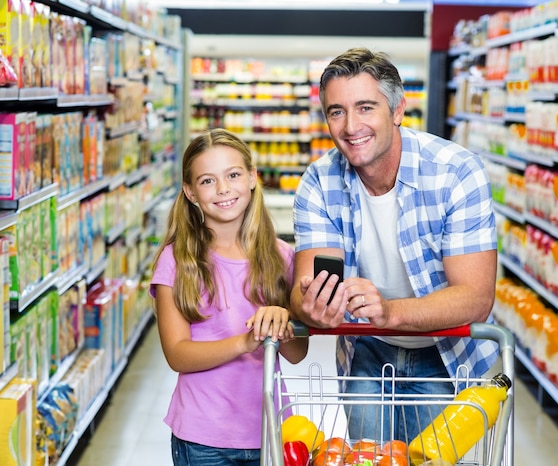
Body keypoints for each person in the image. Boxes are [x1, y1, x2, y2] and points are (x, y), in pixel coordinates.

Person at [289, 47, 499, 443]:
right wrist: (312, 305)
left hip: (446, 354)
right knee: (368, 456)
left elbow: (475, 297)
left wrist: (388, 311)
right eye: (336, 111)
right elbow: (310, 287)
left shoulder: (455, 172)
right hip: (366, 351)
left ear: (397, 111)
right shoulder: (319, 182)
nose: (351, 126)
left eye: (365, 107)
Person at [151, 128, 308, 466]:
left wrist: (283, 321)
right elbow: (177, 354)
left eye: (233, 175)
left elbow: (297, 352)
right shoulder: (177, 260)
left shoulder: (282, 257)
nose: (223, 189)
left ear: (252, 177)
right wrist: (246, 342)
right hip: (202, 437)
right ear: (190, 192)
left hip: (272, 427)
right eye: (207, 181)